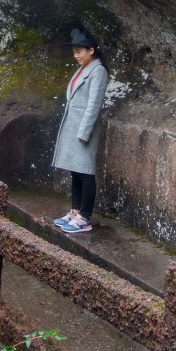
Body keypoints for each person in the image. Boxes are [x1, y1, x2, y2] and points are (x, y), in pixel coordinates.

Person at [52, 27, 109, 234]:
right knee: (75, 171)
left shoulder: (98, 71)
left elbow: (94, 105)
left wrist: (84, 133)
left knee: (86, 173)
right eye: (74, 52)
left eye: (79, 52)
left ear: (91, 50)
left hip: (85, 129)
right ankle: (75, 211)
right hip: (73, 127)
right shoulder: (83, 69)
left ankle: (84, 218)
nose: (76, 56)